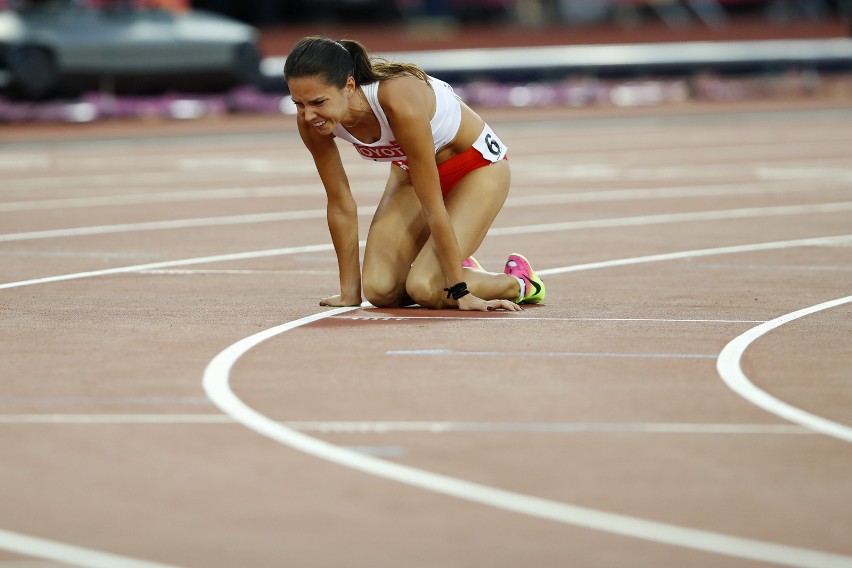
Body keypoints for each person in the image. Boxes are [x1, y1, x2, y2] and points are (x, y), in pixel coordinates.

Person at [284, 36, 545, 312]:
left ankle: (520, 283)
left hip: (476, 168)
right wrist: (349, 291)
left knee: (426, 288)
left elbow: (432, 204)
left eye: (318, 102)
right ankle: (452, 264)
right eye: (298, 104)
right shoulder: (310, 122)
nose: (309, 115)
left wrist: (459, 290)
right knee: (380, 290)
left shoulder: (397, 100)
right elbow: (340, 202)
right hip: (412, 172)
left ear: (349, 86)